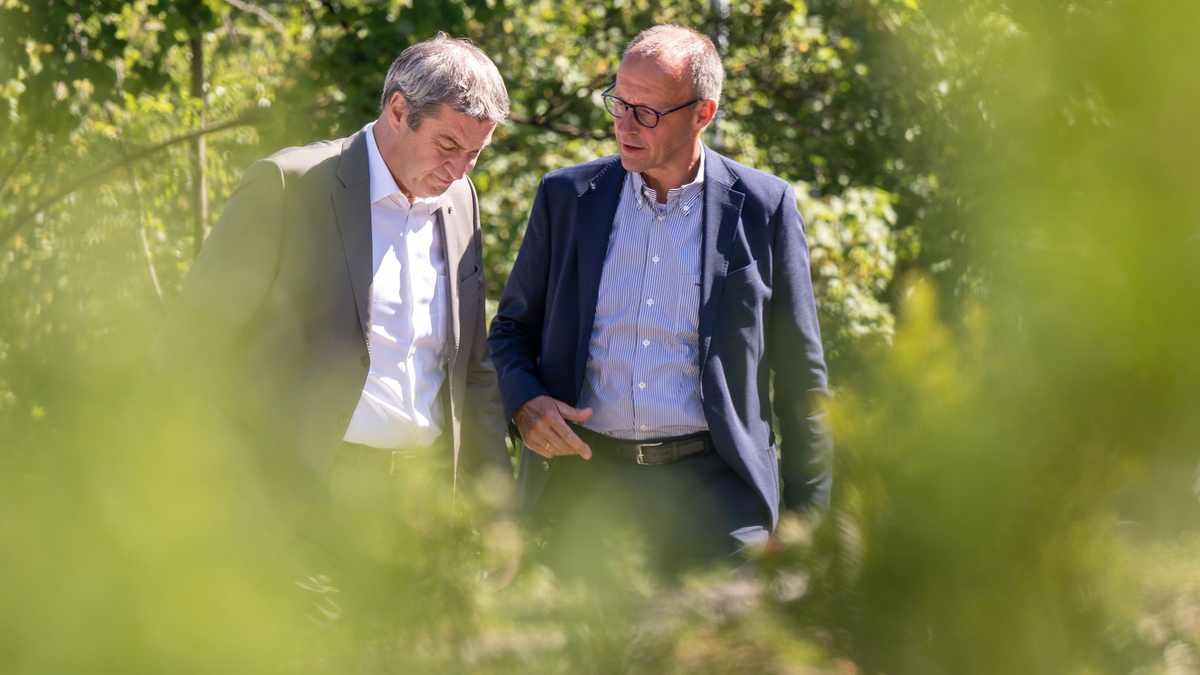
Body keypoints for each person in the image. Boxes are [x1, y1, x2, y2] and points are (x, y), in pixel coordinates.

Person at [148, 33, 519, 595]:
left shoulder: (461, 201)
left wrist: (496, 510)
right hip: (294, 513)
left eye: (475, 153)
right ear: (399, 110)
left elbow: (473, 367)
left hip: (420, 513)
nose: (460, 169)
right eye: (448, 145)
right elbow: (187, 354)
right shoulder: (289, 186)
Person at [488, 24, 832, 575]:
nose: (625, 124)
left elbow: (802, 380)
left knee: (721, 633)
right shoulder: (566, 197)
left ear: (703, 113)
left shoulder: (764, 207)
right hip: (586, 485)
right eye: (619, 103)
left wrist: (809, 527)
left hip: (719, 491)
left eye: (646, 112)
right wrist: (525, 403)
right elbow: (511, 331)